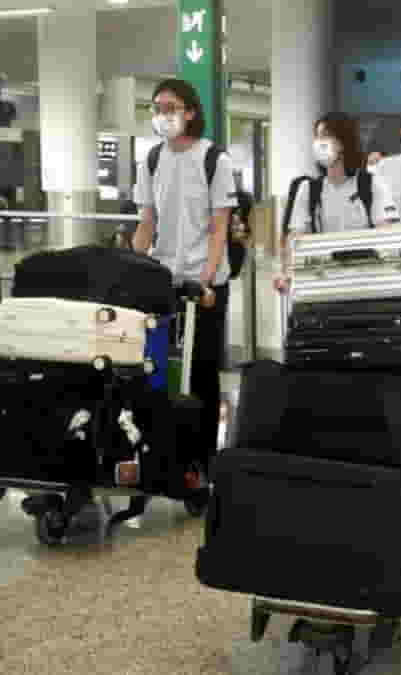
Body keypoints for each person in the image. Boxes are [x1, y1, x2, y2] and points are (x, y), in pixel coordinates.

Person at [132, 78, 236, 467]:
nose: (163, 115)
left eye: (171, 108)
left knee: (202, 371)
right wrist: (131, 266)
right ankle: (161, 451)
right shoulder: (151, 160)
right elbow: (146, 221)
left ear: (191, 112)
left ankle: (202, 460)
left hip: (204, 282)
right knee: (156, 367)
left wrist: (206, 279)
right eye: (157, 108)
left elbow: (219, 227)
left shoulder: (215, 160)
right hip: (162, 280)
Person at [274, 113, 399, 291]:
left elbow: (386, 234)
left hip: (366, 283)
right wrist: (287, 274)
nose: (319, 142)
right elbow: (295, 238)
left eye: (325, 136)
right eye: (317, 137)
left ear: (343, 142)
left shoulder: (371, 184)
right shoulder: (308, 189)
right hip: (323, 284)